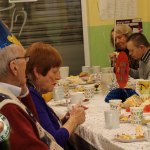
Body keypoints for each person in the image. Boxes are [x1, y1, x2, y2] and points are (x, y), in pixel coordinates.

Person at [0, 20, 62, 150]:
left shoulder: (12, 96)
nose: (27, 64)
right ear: (14, 68)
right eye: (24, 59)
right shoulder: (8, 108)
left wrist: (23, 91)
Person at [25, 42, 86, 149]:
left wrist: (66, 120)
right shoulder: (32, 97)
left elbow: (45, 129)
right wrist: (74, 120)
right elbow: (54, 141)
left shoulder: (33, 92)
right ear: (37, 72)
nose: (58, 77)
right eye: (54, 72)